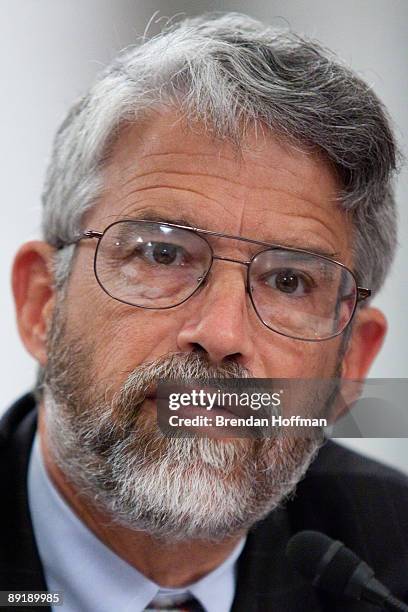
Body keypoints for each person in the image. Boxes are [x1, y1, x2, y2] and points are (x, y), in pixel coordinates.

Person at [2, 12, 408, 612]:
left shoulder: (390, 561)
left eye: (290, 282)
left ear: (349, 365)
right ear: (43, 303)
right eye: (162, 254)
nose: (221, 334)